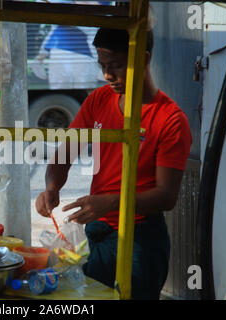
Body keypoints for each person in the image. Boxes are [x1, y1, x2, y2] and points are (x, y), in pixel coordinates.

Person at [35, 28, 192, 299]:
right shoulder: (99, 99)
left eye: (117, 66)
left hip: (140, 240)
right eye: (103, 66)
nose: (108, 75)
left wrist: (110, 202)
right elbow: (65, 153)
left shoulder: (170, 119)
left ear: (142, 58)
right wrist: (52, 186)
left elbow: (167, 196)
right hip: (97, 234)